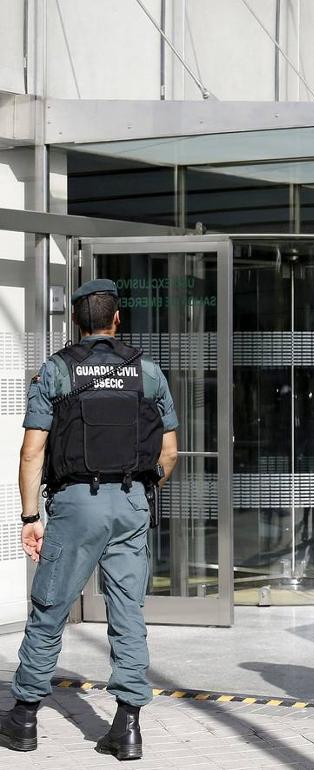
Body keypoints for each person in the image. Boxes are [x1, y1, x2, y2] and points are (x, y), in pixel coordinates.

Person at [0, 279, 179, 760]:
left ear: (76, 321)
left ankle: (23, 719)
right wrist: (142, 489)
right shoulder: (147, 371)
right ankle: (127, 727)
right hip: (132, 502)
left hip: (76, 503)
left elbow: (31, 452)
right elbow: (170, 450)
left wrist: (29, 515)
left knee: (50, 609)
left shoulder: (57, 370)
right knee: (127, 614)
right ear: (117, 318)